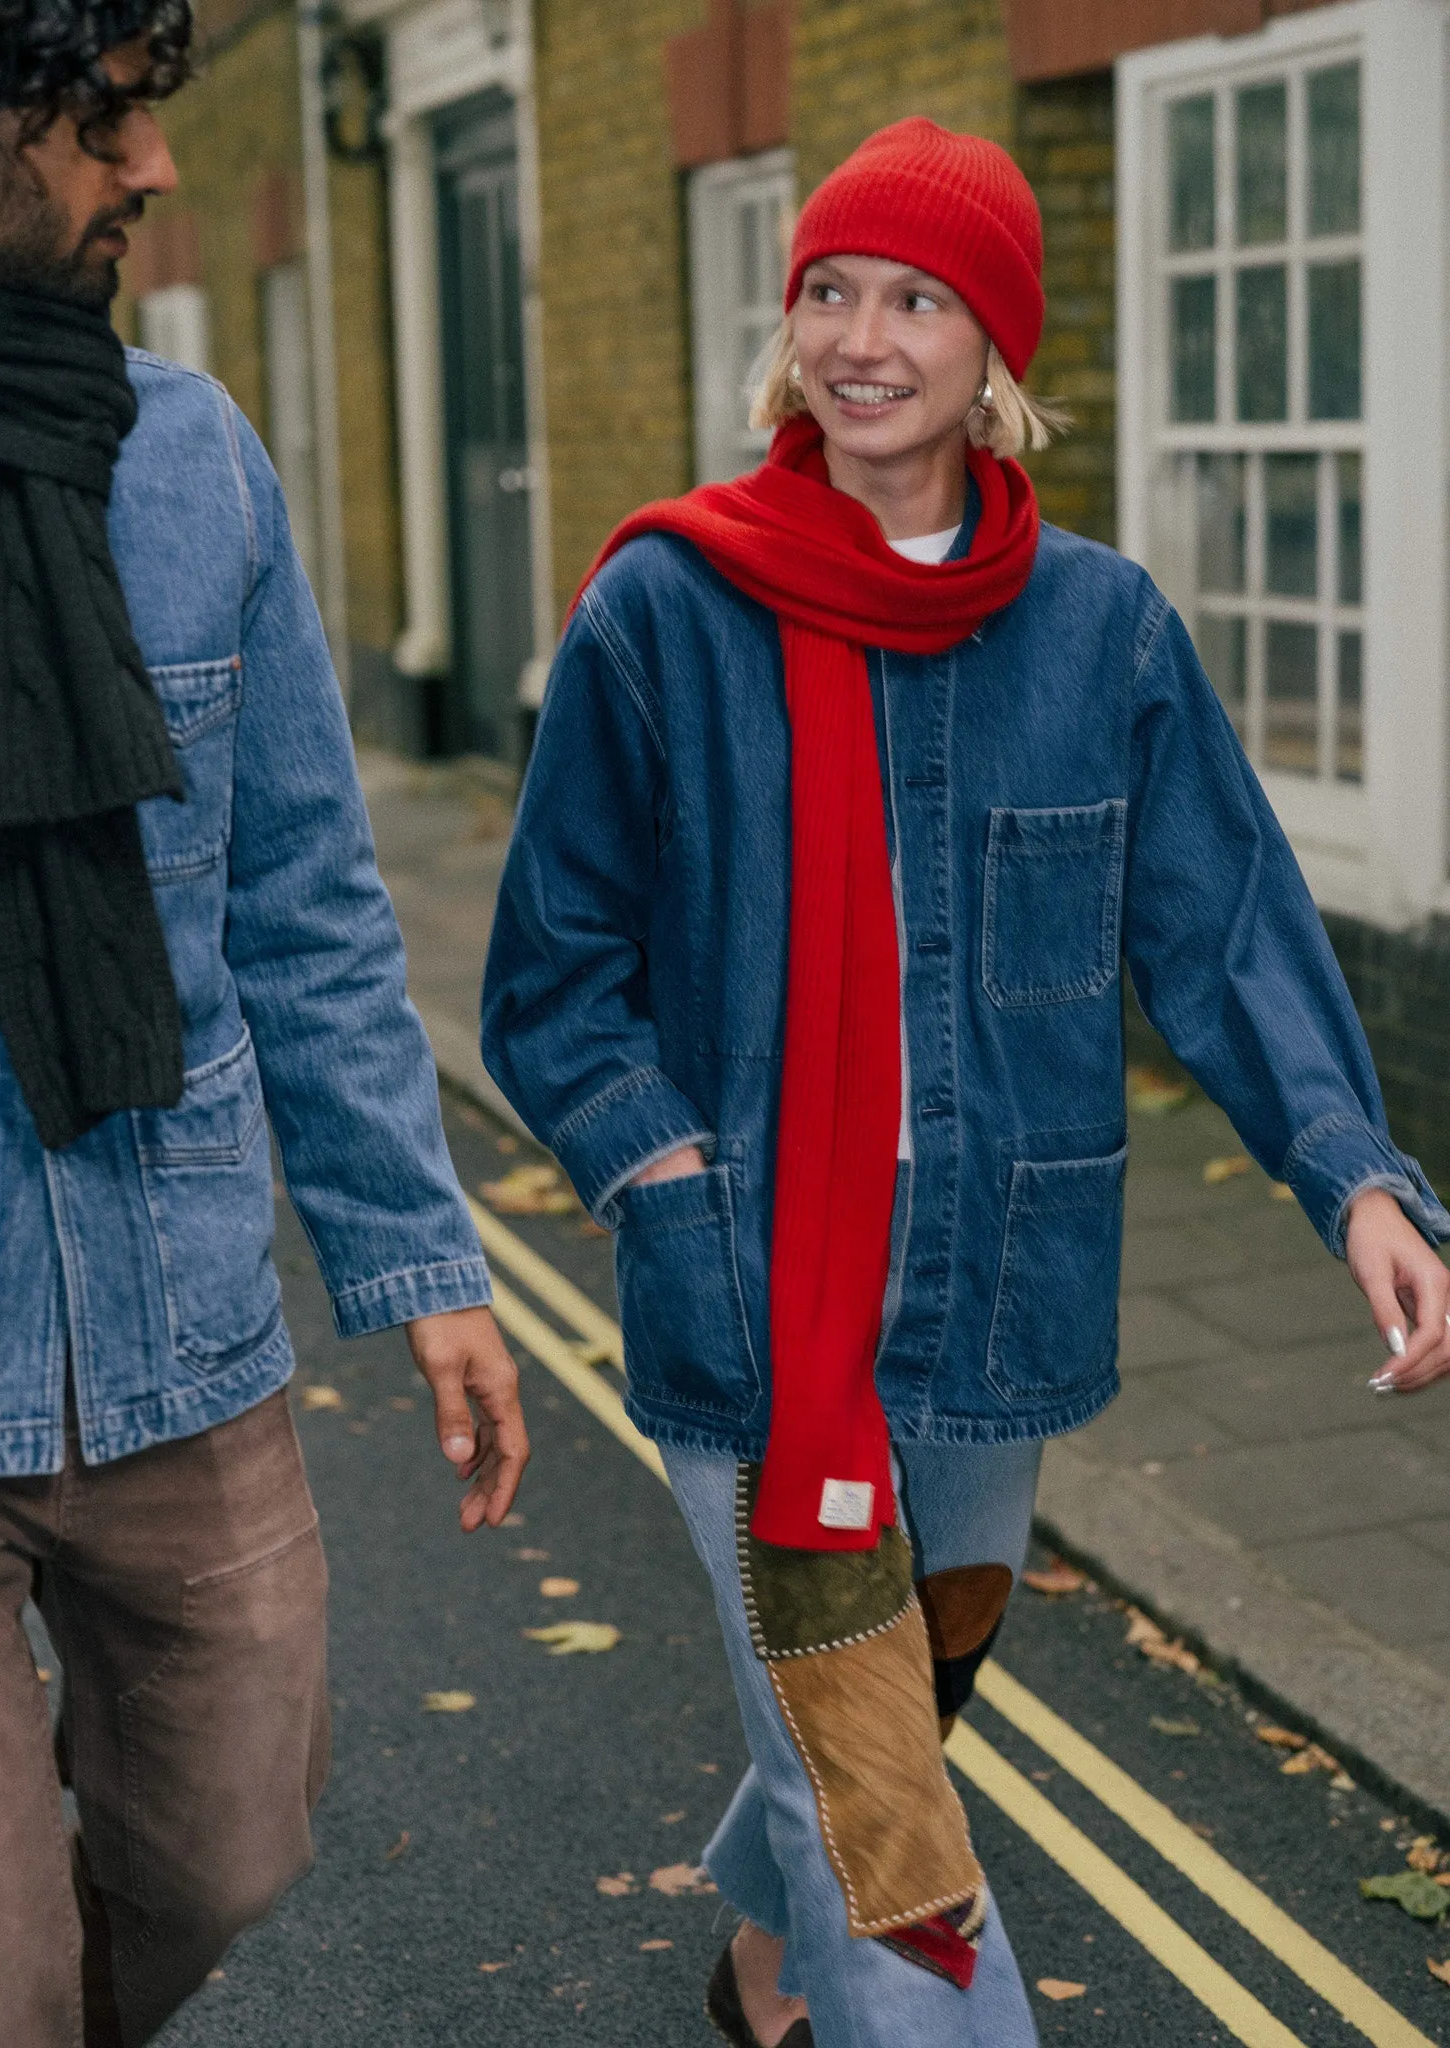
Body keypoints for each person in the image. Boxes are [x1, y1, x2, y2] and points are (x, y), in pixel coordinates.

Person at [481, 118, 1450, 2048]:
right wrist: (669, 1188)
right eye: (828, 289)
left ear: (989, 349)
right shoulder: (668, 612)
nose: (861, 335)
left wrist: (1355, 1180)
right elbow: (552, 981)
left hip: (1000, 1287)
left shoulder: (1100, 631)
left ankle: (763, 1957)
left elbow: (1225, 928)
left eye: (915, 297)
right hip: (759, 1308)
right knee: (894, 1830)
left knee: (910, 1697)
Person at [0, 6, 529, 2043]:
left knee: (229, 1846)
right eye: (94, 121)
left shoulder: (193, 460)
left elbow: (308, 904)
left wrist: (423, 1257)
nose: (151, 169)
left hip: (178, 1306)